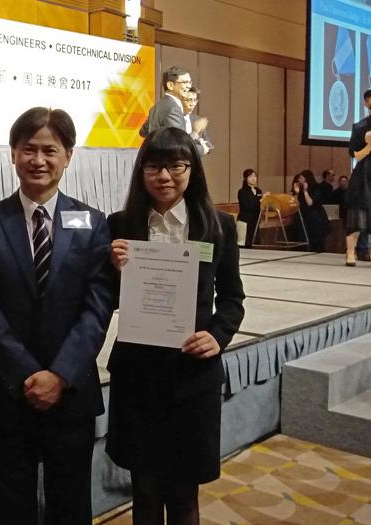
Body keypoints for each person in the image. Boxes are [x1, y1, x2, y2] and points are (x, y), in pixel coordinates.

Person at [0, 107, 114, 525]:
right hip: (6, 392)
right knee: (11, 506)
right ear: (13, 154)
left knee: (71, 505)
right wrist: (29, 373)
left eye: (50, 150)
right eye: (28, 149)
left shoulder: (94, 223)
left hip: (71, 394)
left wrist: (61, 374)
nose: (38, 160)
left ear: (68, 156)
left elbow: (98, 305)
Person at [106, 127, 245, 525]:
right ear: (141, 171)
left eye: (175, 166)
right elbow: (109, 300)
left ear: (192, 169)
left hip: (191, 378)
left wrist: (217, 337)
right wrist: (114, 270)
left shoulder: (217, 227)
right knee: (145, 492)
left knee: (184, 495)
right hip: (137, 376)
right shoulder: (120, 226)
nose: (164, 176)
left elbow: (233, 298)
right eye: (154, 166)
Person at [344, 88, 371, 266]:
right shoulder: (360, 127)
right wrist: (369, 145)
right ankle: (350, 252)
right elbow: (355, 155)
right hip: (364, 176)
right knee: (357, 215)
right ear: (367, 103)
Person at [139, 66, 194, 136]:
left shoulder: (155, 108)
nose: (189, 86)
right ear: (170, 85)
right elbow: (179, 142)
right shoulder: (173, 109)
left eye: (190, 82)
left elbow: (143, 132)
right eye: (185, 82)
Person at [291, 170, 330, 252]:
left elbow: (310, 203)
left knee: (315, 239)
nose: (299, 180)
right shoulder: (299, 188)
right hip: (303, 216)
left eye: (301, 178)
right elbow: (294, 203)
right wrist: (296, 193)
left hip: (314, 216)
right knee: (302, 237)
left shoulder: (316, 187)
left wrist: (305, 191)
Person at [237, 168, 268, 248]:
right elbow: (247, 206)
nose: (253, 178)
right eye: (250, 177)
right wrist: (261, 200)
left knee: (256, 243)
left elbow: (260, 205)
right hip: (245, 221)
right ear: (245, 179)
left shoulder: (258, 191)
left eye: (255, 176)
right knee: (245, 243)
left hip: (255, 220)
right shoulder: (242, 191)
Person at [183, 87, 212, 156]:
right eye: (189, 100)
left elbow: (208, 142)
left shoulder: (196, 119)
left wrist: (203, 144)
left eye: (195, 100)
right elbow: (180, 145)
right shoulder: (175, 119)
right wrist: (195, 132)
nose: (192, 104)